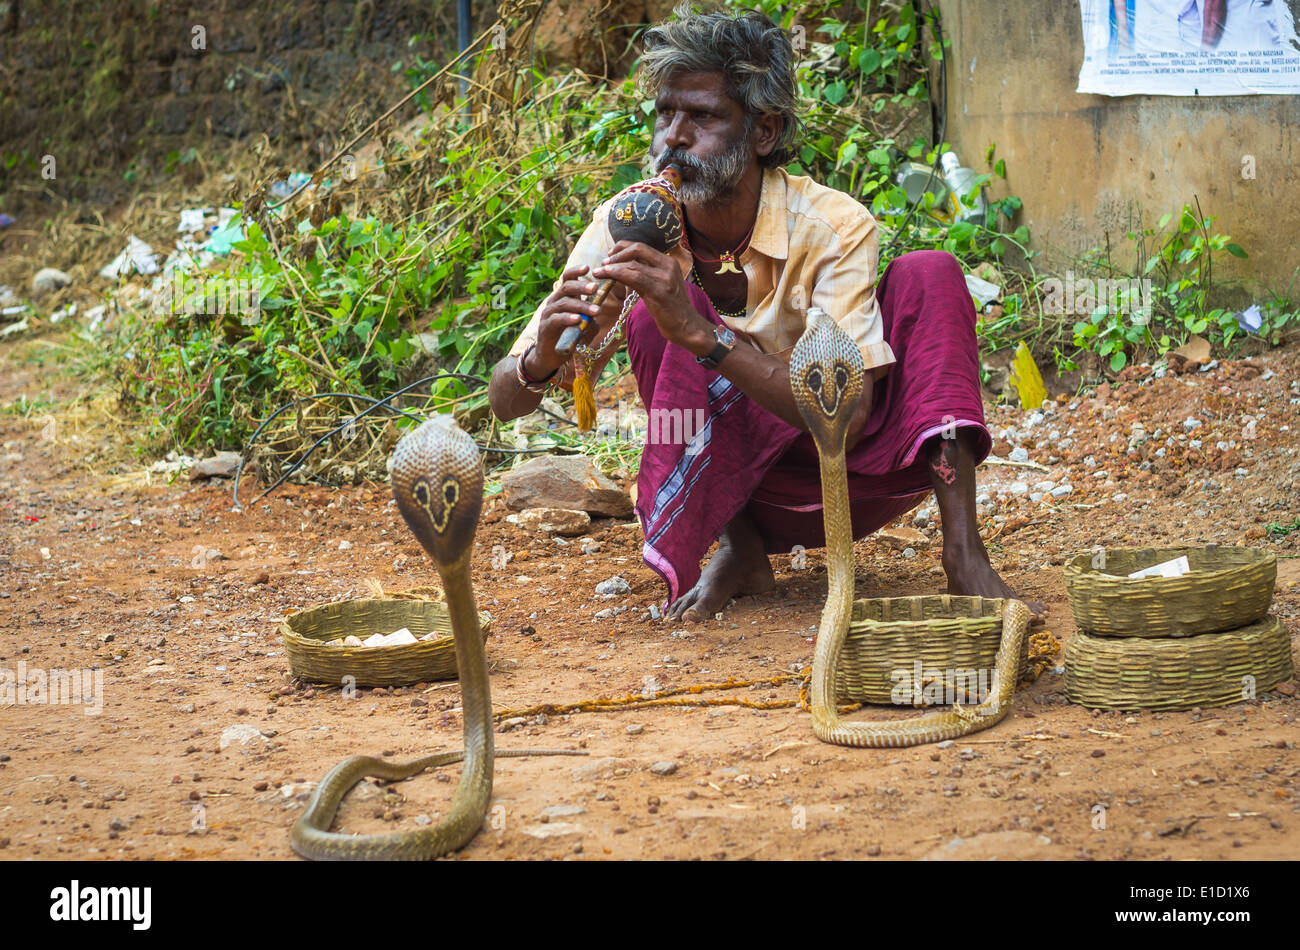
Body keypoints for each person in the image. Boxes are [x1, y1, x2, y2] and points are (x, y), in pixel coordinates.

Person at [489, 4, 1042, 623]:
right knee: (651, 316)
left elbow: (851, 417)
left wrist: (703, 336)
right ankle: (741, 548)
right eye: (666, 113)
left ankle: (964, 554)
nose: (674, 136)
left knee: (931, 274)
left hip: (856, 472)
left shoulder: (833, 226)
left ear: (765, 132)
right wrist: (541, 357)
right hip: (740, 488)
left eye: (703, 116)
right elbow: (506, 402)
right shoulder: (630, 222)